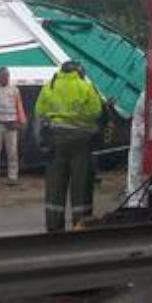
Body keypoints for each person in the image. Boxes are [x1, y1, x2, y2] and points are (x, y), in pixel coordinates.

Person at [35, 61, 103, 232]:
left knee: (55, 184)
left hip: (55, 141)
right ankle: (80, 224)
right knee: (81, 184)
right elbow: (97, 112)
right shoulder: (85, 86)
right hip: (80, 141)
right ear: (78, 71)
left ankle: (54, 225)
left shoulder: (49, 86)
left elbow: (39, 112)